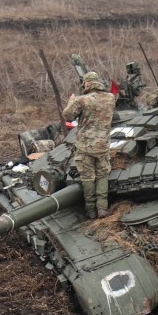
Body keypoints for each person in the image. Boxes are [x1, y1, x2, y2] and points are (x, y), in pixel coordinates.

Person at [62, 71, 117, 219]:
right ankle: (102, 209)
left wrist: (71, 102)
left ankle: (91, 211)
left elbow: (67, 116)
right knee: (102, 175)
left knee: (87, 178)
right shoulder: (111, 98)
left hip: (85, 146)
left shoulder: (82, 100)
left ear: (86, 84)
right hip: (103, 145)